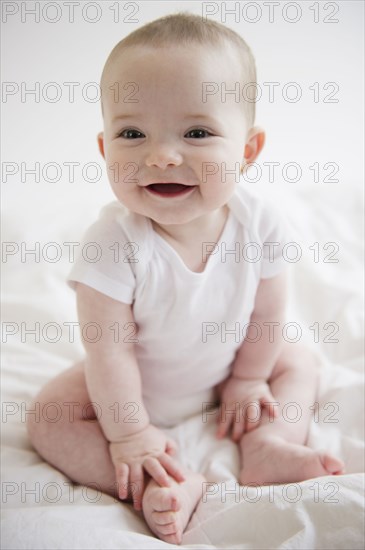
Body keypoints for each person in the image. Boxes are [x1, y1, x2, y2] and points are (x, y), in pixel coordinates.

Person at [27, 13, 344, 545]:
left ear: (247, 151)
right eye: (132, 133)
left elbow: (267, 314)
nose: (161, 155)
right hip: (136, 387)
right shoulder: (112, 244)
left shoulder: (259, 220)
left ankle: (268, 445)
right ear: (106, 150)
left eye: (197, 132)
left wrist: (248, 379)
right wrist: (130, 434)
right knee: (48, 419)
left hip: (227, 374)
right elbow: (110, 353)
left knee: (300, 363)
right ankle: (158, 480)